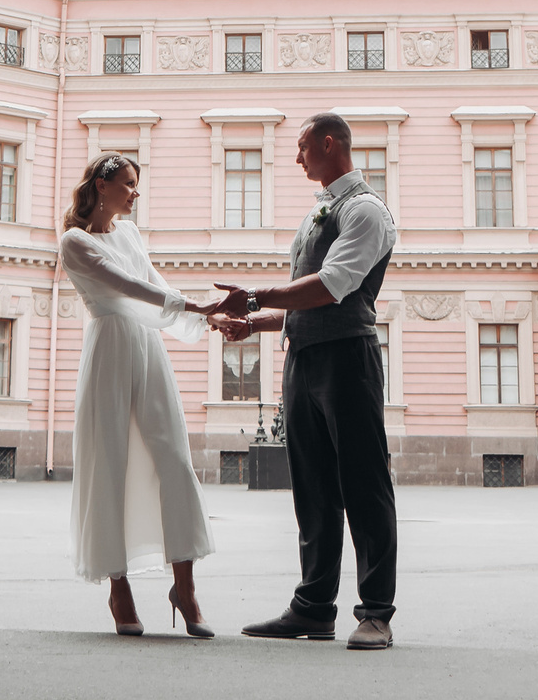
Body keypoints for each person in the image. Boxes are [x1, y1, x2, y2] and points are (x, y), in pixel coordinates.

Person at [209, 111, 399, 650]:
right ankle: (314, 607)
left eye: (302, 147)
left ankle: (375, 614)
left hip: (348, 360)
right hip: (306, 359)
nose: (296, 158)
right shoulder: (321, 210)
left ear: (329, 143)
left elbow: (334, 286)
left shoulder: (365, 211)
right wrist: (254, 324)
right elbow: (306, 305)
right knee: (313, 488)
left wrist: (254, 297)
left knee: (363, 485)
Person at [57, 153, 218, 638]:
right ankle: (118, 584)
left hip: (146, 348)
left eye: (137, 185)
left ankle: (184, 587)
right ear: (102, 186)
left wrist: (207, 317)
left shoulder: (130, 234)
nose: (135, 193)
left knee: (172, 456)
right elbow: (123, 286)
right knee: (111, 460)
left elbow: (153, 284)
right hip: (109, 349)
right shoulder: (74, 242)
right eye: (128, 184)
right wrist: (194, 305)